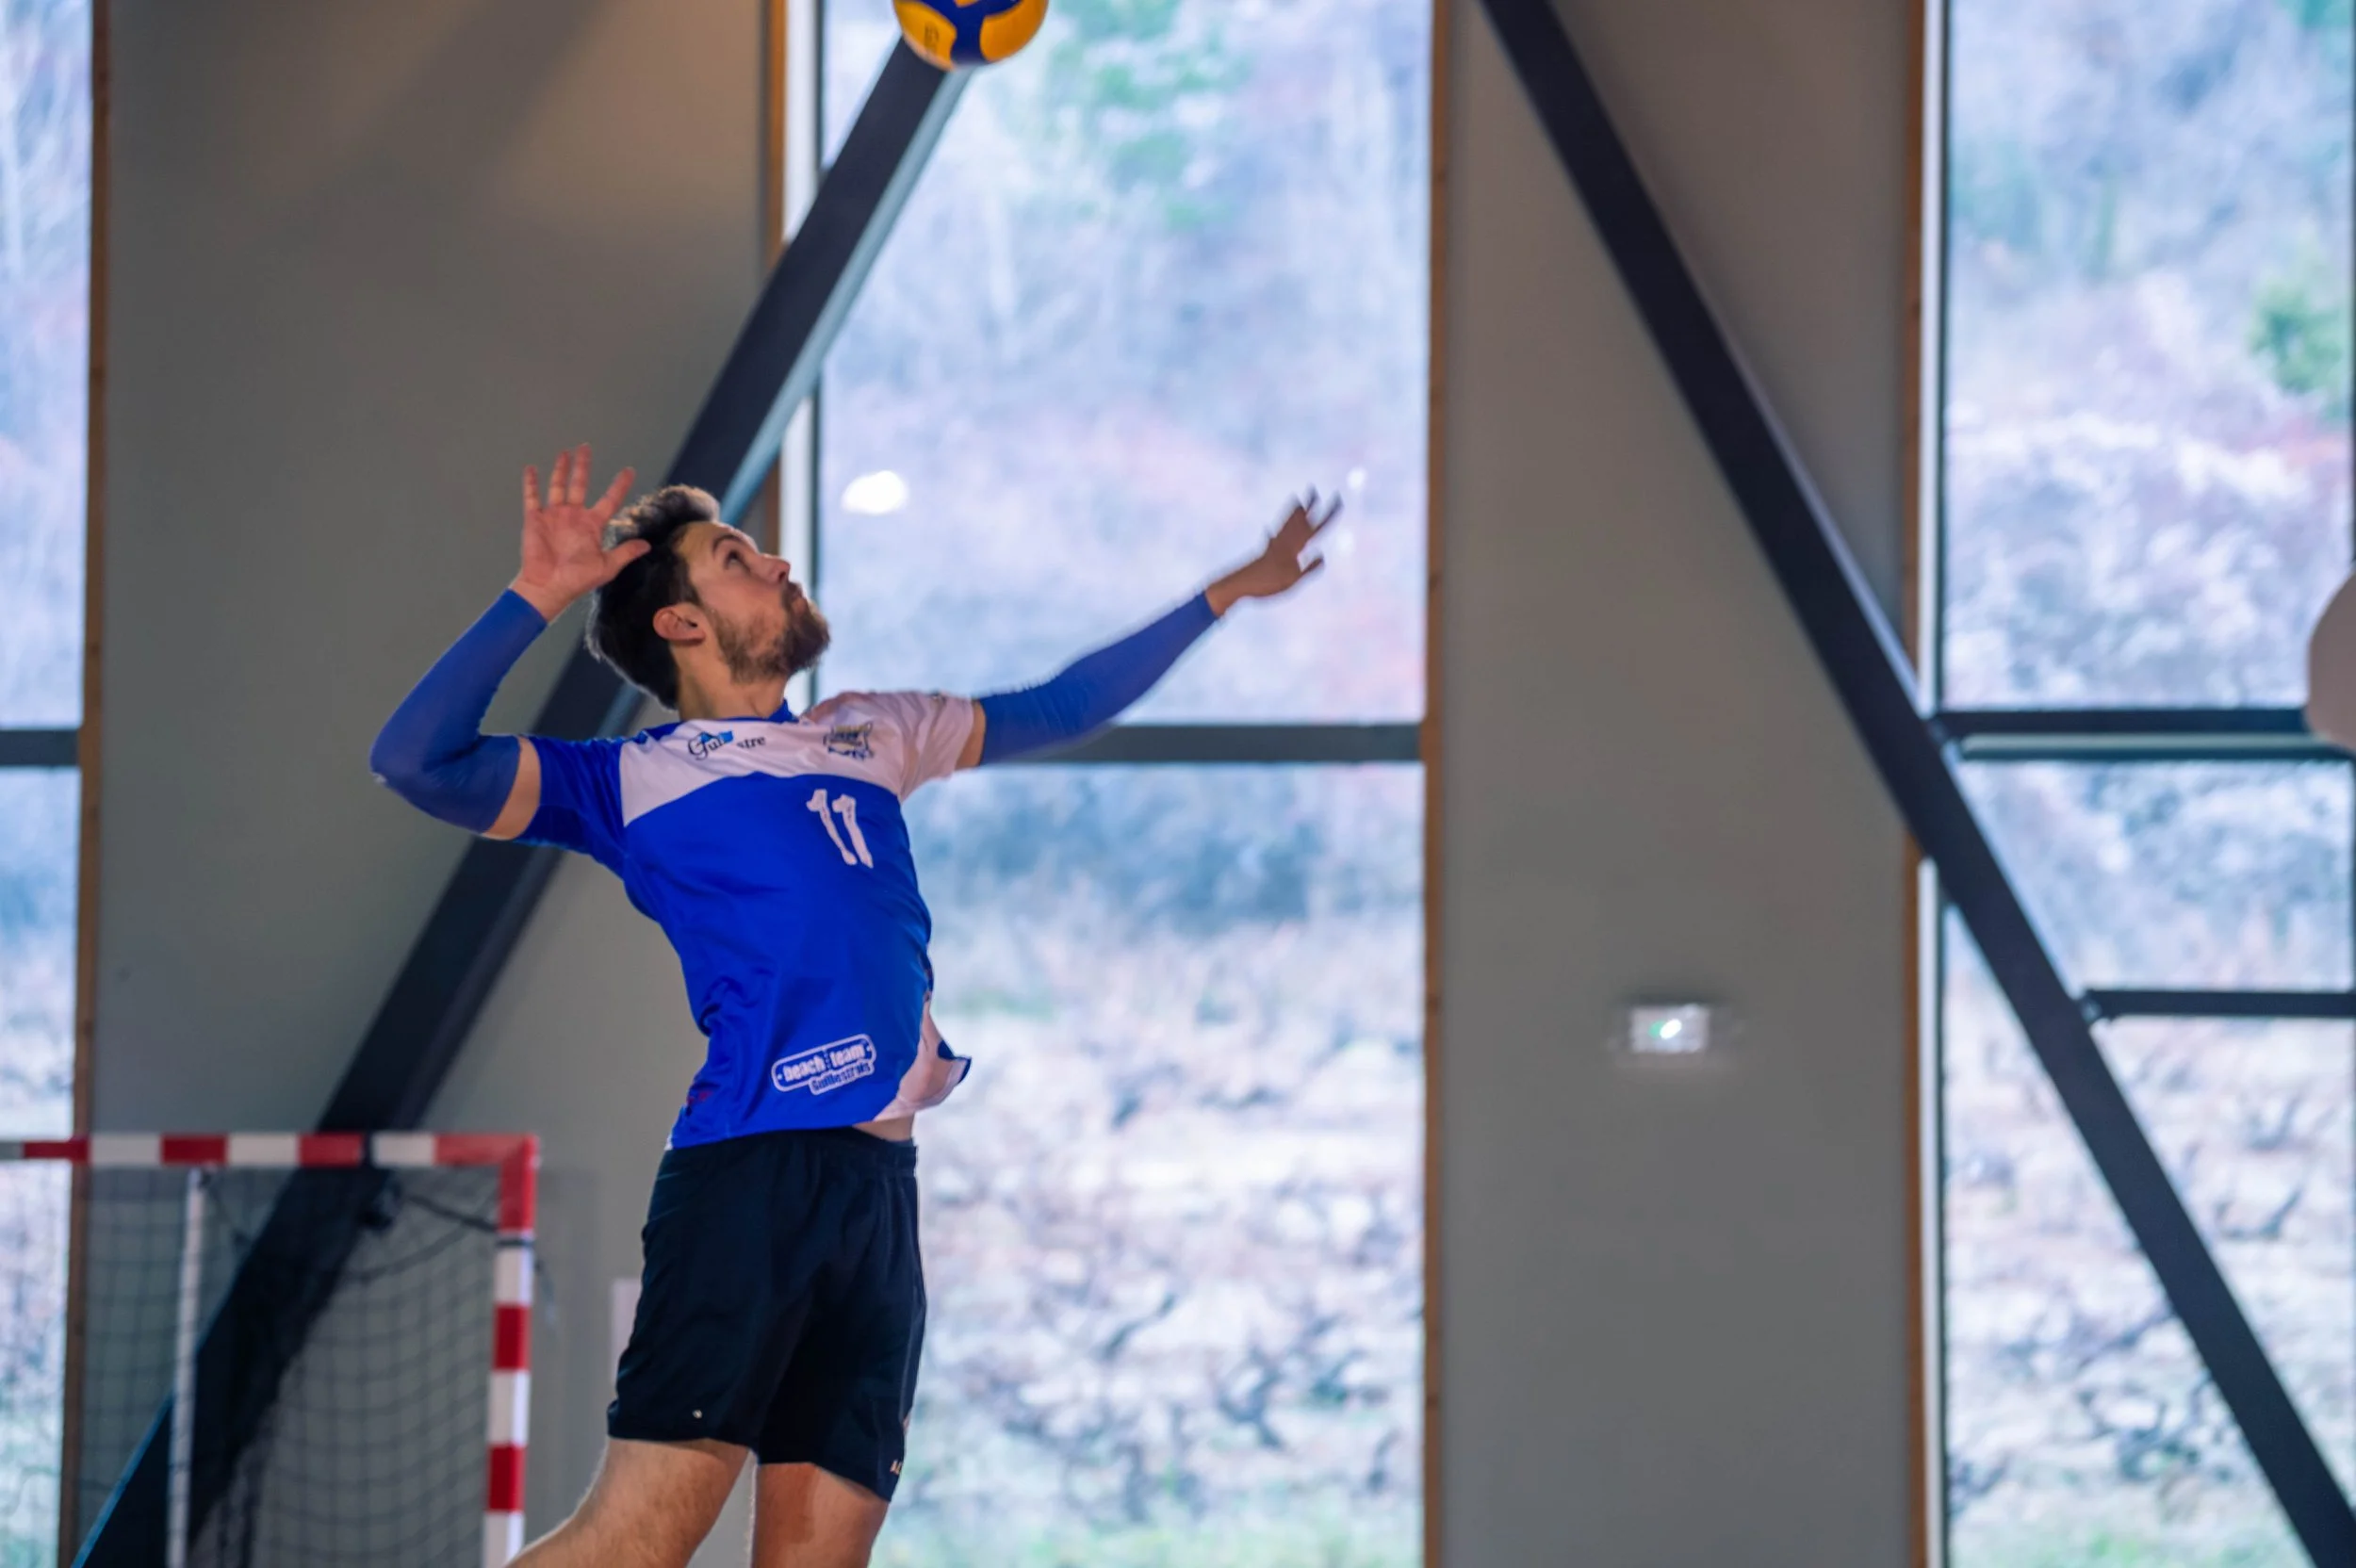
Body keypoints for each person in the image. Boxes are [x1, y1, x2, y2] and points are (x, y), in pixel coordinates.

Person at [370, 446, 1333, 1568]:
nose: (776, 561)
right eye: (736, 558)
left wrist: (1225, 592)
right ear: (680, 624)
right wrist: (537, 595)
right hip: (751, 1179)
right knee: (632, 1545)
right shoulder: (623, 781)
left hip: (880, 1189)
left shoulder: (874, 730)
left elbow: (1063, 703)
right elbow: (415, 760)